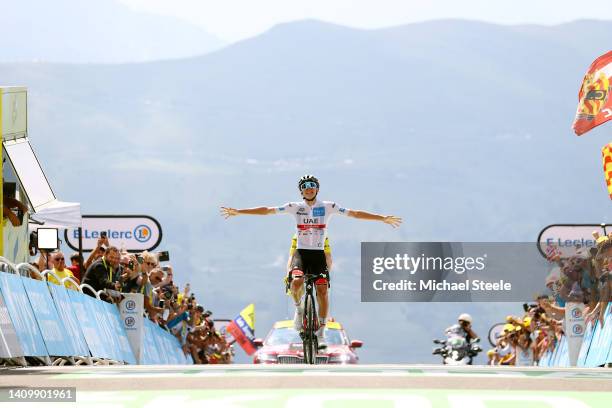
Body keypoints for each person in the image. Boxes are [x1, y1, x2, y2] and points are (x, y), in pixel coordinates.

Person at [221, 174, 402, 348]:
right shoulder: (294, 207)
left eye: (312, 186)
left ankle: (321, 331)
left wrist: (382, 218)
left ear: (317, 189)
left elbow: (354, 213)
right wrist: (239, 212)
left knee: (322, 290)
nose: (309, 189)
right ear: (301, 191)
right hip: (301, 253)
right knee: (297, 281)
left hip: (318, 254)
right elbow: (267, 210)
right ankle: (299, 311)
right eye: (305, 187)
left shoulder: (328, 206)